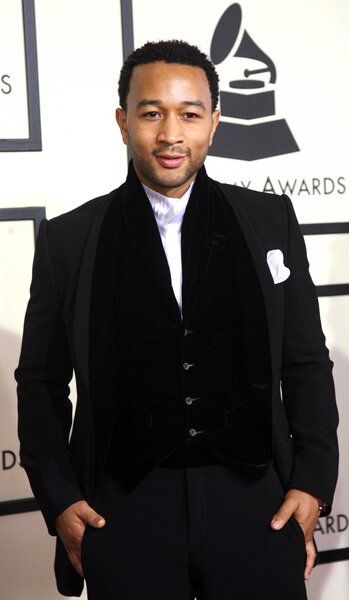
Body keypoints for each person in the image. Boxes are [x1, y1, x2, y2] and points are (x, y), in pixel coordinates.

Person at [16, 40, 338, 599]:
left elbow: (305, 360)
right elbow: (40, 381)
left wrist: (312, 483)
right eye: (151, 113)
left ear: (214, 123)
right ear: (123, 122)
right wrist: (60, 498)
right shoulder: (69, 240)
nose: (171, 134)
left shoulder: (269, 220)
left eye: (189, 114)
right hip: (122, 511)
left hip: (256, 504)